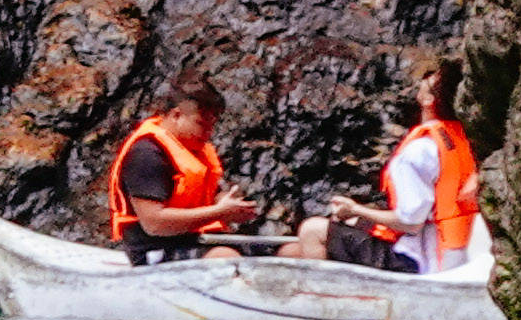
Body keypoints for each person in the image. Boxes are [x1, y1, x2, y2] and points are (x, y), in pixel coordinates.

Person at [292, 56, 483, 273]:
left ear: (428, 99)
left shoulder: (418, 151)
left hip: (417, 261)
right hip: (454, 251)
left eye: (431, 80)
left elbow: (411, 222)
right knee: (296, 249)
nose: (426, 77)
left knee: (311, 231)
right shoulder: (464, 139)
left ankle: (325, 298)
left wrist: (356, 209)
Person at [95, 78, 261, 261]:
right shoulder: (147, 154)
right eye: (201, 124)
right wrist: (219, 212)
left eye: (211, 126)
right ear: (176, 115)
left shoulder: (197, 151)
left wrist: (230, 205)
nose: (208, 133)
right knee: (225, 257)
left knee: (288, 250)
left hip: (199, 240)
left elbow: (212, 195)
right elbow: (154, 223)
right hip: (153, 249)